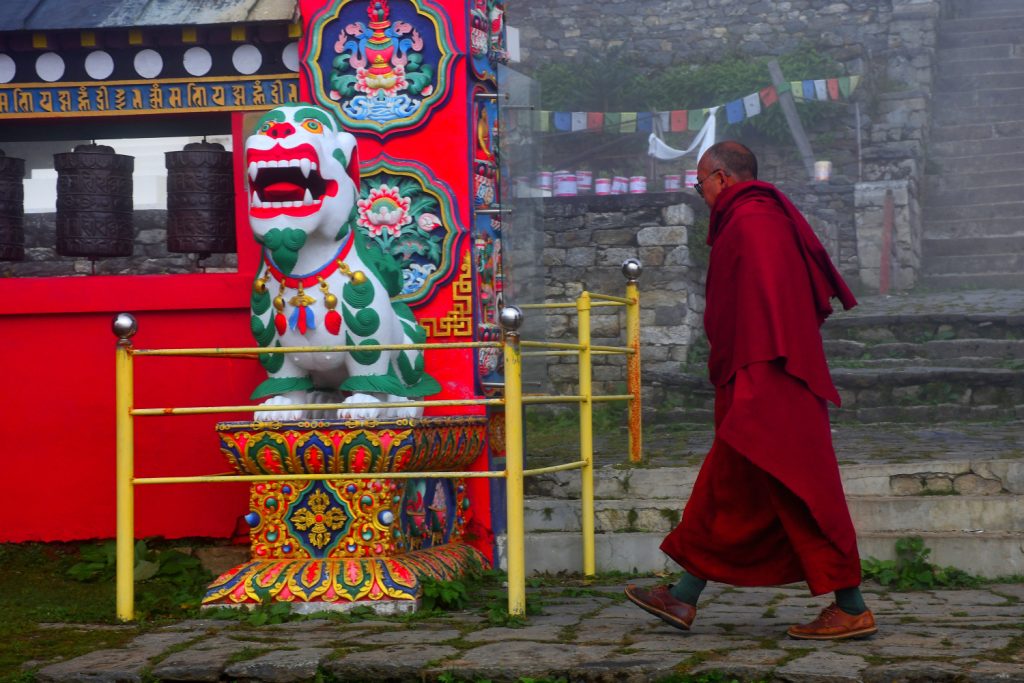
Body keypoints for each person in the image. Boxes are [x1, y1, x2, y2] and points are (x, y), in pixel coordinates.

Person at [625, 141, 876, 641]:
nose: (702, 196)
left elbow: (761, 309)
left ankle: (851, 607)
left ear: (721, 177)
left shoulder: (752, 221)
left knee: (802, 489)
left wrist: (749, 376)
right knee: (737, 493)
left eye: (701, 185)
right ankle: (683, 595)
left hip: (769, 377)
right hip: (767, 373)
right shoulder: (765, 217)